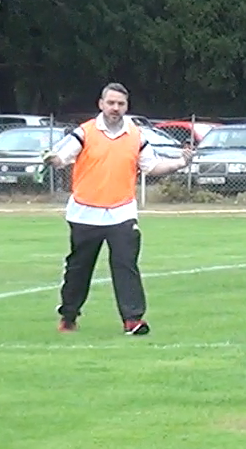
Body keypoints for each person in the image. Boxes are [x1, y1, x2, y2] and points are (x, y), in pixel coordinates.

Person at [43, 83, 194, 335]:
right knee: (79, 269)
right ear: (101, 104)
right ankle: (68, 315)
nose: (115, 108)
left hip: (122, 212)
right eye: (111, 103)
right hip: (84, 212)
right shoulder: (85, 132)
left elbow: (152, 166)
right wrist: (52, 160)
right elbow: (62, 158)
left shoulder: (136, 136)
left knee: (126, 264)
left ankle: (133, 320)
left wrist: (180, 162)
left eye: (120, 104)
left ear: (127, 106)